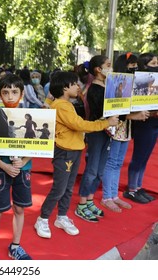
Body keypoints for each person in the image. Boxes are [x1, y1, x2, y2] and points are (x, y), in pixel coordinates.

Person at [34, 71, 118, 239]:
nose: (78, 86)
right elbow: (78, 124)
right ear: (65, 88)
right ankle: (42, 218)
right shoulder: (62, 105)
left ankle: (62, 216)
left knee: (68, 187)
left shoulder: (65, 103)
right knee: (59, 188)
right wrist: (105, 123)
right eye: (74, 84)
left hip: (73, 150)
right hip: (65, 152)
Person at [0, 74, 32, 260]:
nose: (10, 97)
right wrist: (3, 165)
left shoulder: (32, 116)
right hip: (0, 169)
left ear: (22, 94)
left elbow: (38, 145)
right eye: (6, 92)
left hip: (24, 170)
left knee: (20, 209)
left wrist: (24, 161)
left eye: (14, 92)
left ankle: (16, 246)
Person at [101, 52, 150, 212]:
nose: (135, 68)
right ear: (124, 65)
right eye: (132, 65)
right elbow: (114, 108)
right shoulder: (114, 83)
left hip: (127, 128)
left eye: (136, 65)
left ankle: (114, 195)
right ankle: (107, 196)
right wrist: (135, 115)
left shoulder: (134, 83)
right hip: (116, 128)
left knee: (118, 163)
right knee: (112, 162)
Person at [76, 55, 115, 222]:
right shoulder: (94, 89)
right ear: (98, 69)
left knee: (100, 170)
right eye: (108, 65)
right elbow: (98, 112)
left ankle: (90, 200)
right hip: (96, 132)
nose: (111, 68)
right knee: (91, 169)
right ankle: (82, 204)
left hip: (108, 131)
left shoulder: (110, 87)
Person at [124, 52, 158, 203]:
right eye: (153, 64)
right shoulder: (137, 83)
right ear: (144, 66)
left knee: (145, 157)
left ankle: (138, 186)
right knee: (138, 157)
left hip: (154, 123)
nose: (156, 67)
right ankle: (131, 189)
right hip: (143, 123)